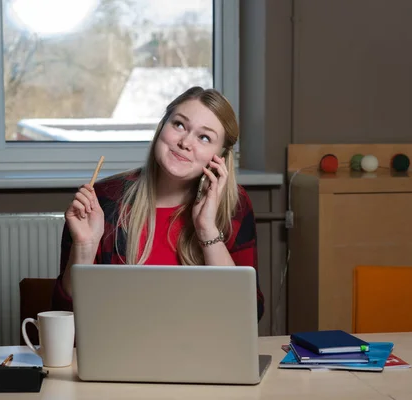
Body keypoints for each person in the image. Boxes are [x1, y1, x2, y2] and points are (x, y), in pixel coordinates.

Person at [51, 86, 264, 322]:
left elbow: (246, 314)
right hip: (120, 351)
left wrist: (207, 230)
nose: (185, 142)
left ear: (220, 157)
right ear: (162, 126)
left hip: (202, 353)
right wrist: (84, 247)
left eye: (204, 137)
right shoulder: (103, 200)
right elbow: (65, 316)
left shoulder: (234, 204)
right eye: (179, 125)